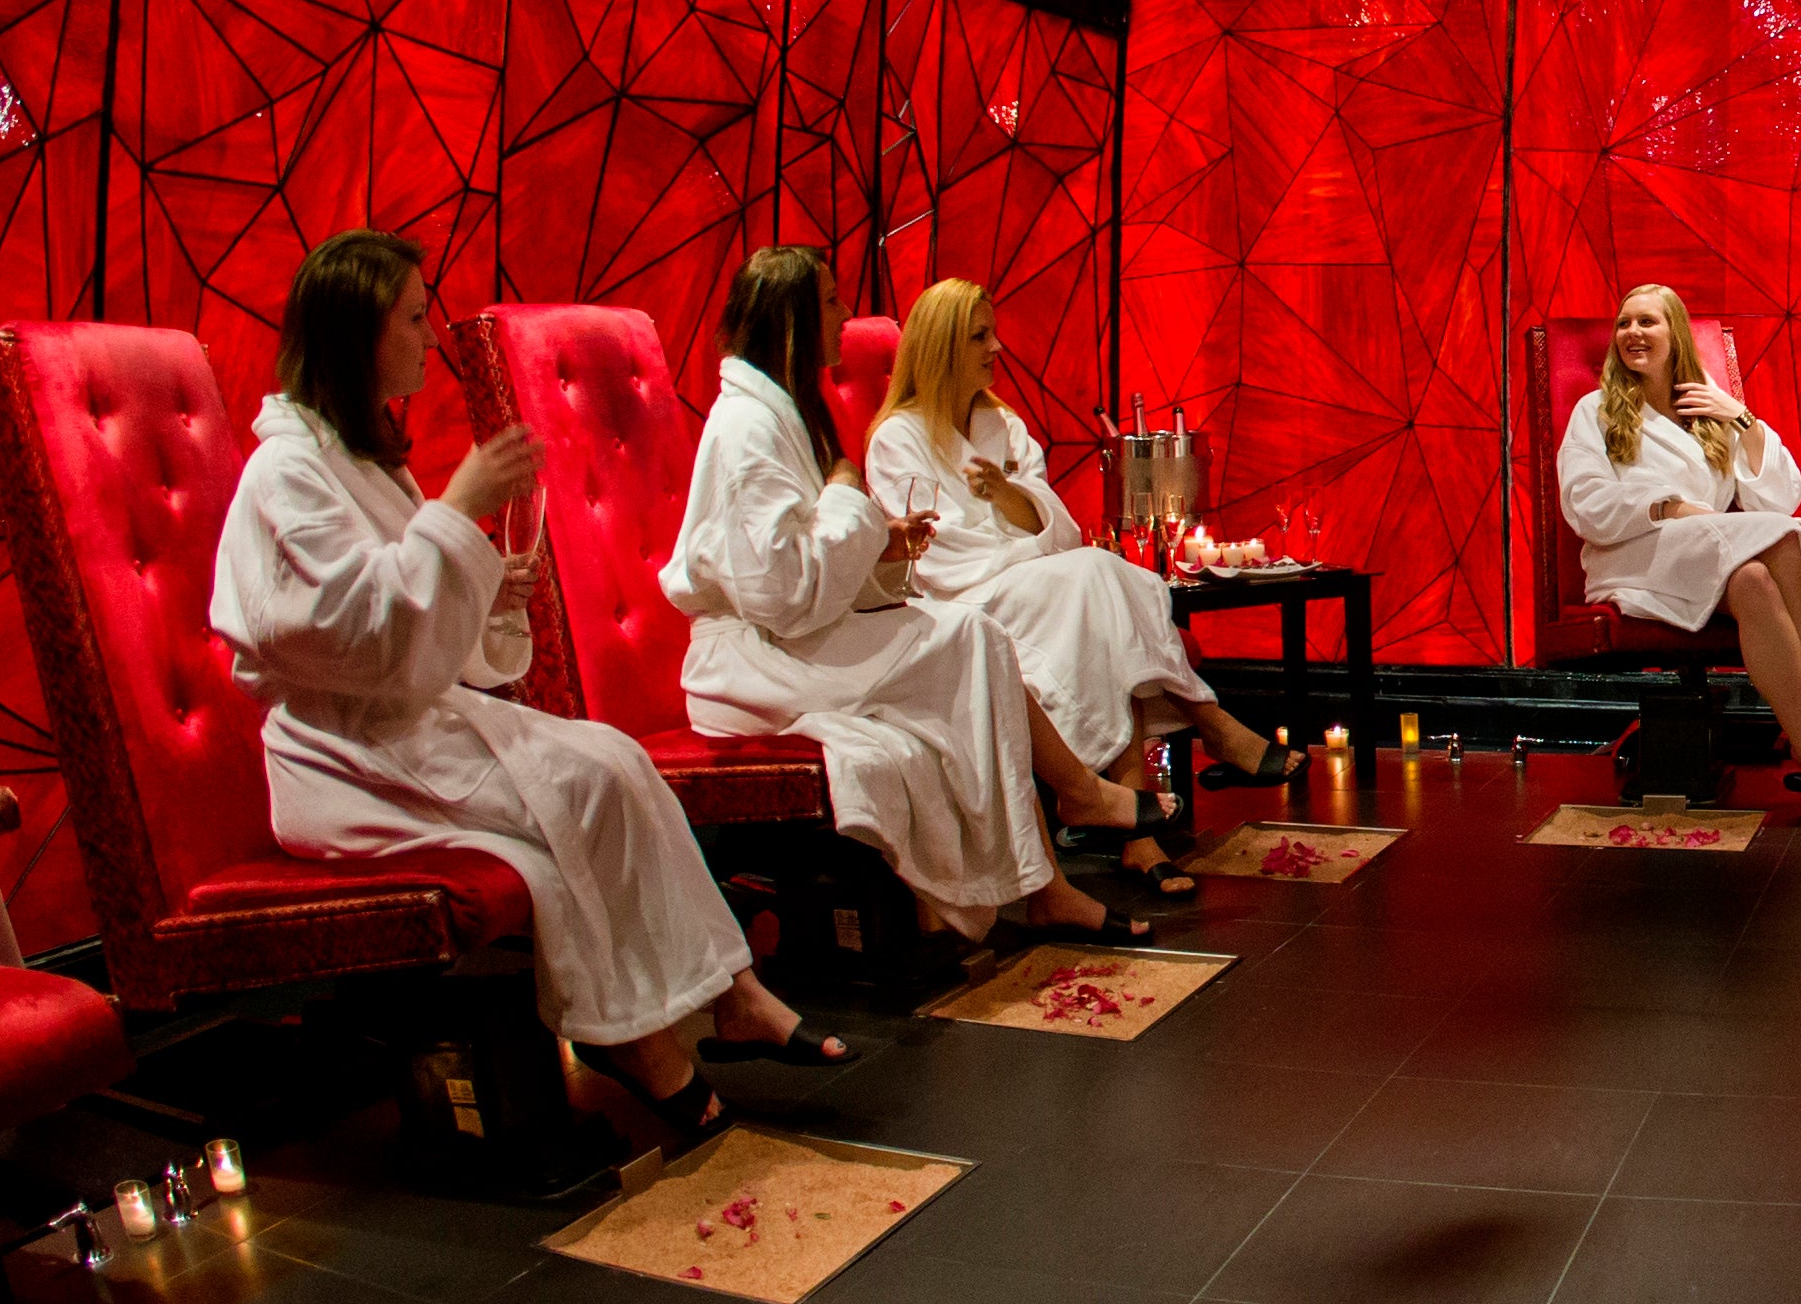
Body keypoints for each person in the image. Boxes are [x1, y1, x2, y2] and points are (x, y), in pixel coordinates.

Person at [212, 232, 823, 1151]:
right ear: (355, 333)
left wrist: (489, 590)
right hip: (342, 755)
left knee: (614, 758)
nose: (431, 336)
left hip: (406, 726)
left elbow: (421, 635)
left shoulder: (366, 460)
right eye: (414, 317)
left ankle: (722, 996)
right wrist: (456, 516)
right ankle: (639, 1042)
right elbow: (351, 629)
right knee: (585, 785)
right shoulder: (284, 473)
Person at [663, 247, 1163, 947]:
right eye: (832, 302)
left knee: (975, 639)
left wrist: (877, 538)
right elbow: (776, 590)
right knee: (970, 637)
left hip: (795, 632)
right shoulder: (749, 429)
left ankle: (1052, 869)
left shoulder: (778, 414)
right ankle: (1066, 822)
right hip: (753, 657)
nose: (844, 315)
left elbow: (801, 564)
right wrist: (848, 505)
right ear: (796, 322)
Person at [864, 279, 1300, 902]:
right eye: (980, 335)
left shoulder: (1001, 422)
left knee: (1100, 592)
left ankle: (1138, 831)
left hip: (1040, 582)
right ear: (939, 348)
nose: (998, 347)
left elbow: (1058, 522)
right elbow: (940, 553)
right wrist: (1032, 552)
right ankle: (1213, 724)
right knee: (1096, 578)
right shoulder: (897, 438)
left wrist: (1009, 496)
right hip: (964, 599)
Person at [1555, 284, 1801, 834]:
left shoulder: (1706, 412)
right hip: (1632, 555)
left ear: (1674, 333)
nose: (1632, 333)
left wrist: (1740, 417)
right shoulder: (1597, 411)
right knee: (1778, 540)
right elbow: (1583, 502)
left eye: (1647, 322)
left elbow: (1777, 496)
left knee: (1757, 572)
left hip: (1703, 553)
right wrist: (1666, 504)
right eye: (1624, 324)